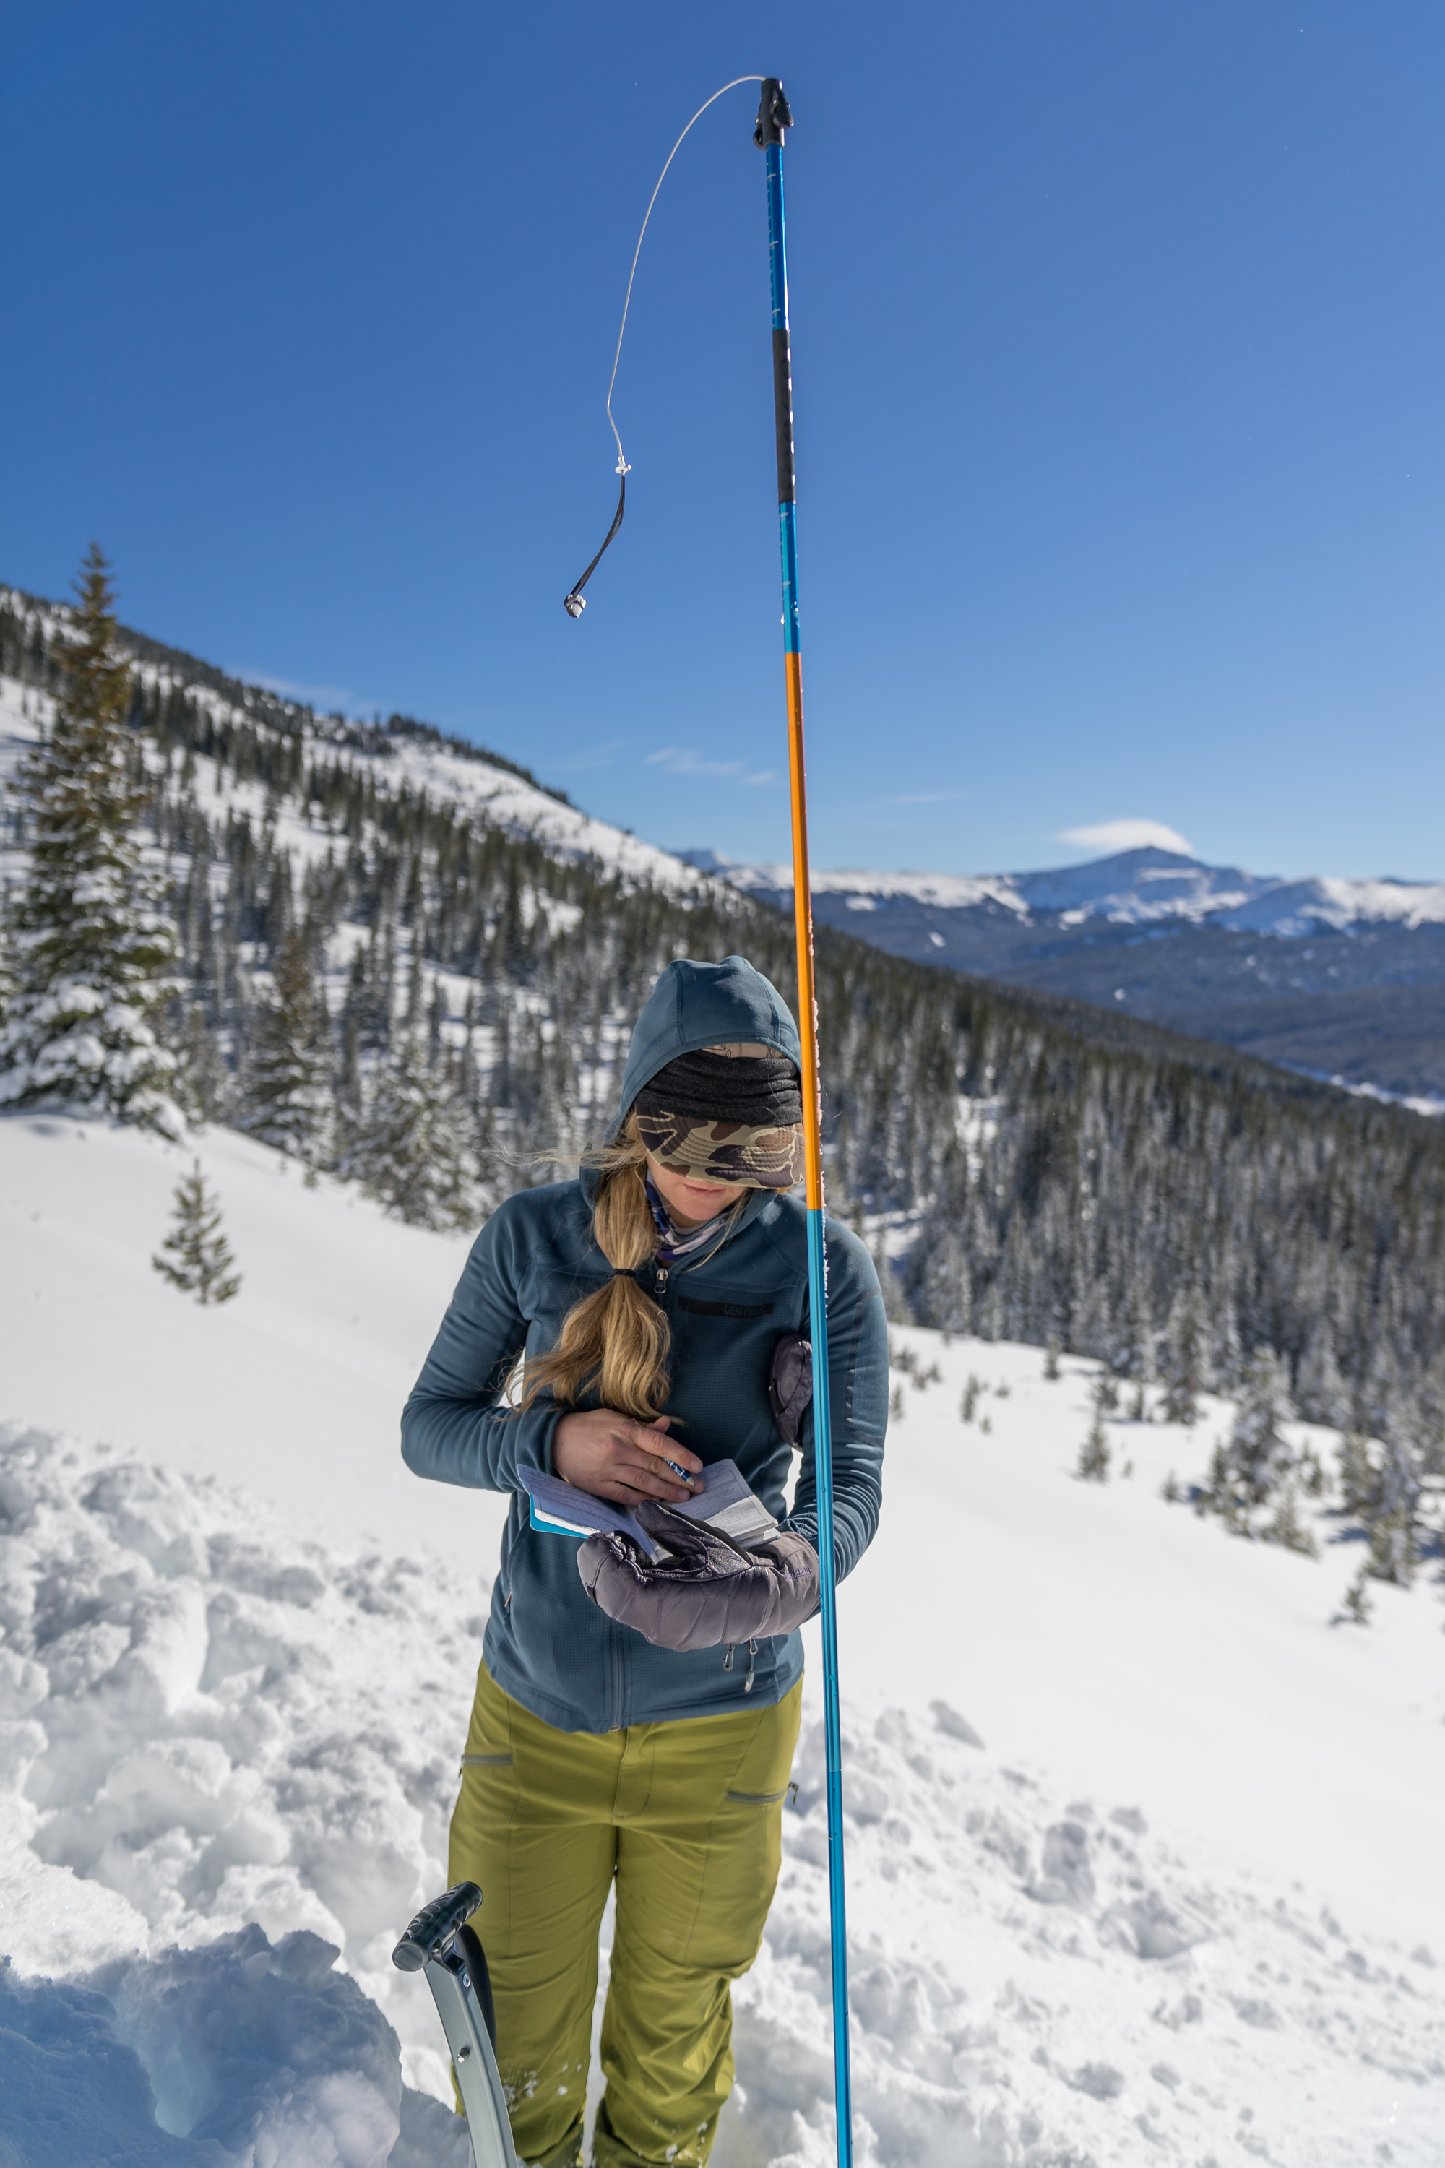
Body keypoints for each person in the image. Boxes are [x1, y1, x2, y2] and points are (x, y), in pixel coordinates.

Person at [401, 953, 888, 2168]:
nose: (714, 1190)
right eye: (689, 1156)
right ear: (637, 1122)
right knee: (513, 2053)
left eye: (752, 1164)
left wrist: (790, 1568)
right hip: (537, 1715)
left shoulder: (819, 1270)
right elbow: (429, 1426)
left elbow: (850, 1493)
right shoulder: (533, 1236)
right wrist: (547, 1436)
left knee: (672, 2056)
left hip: (722, 1729)